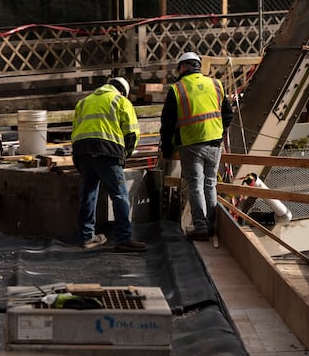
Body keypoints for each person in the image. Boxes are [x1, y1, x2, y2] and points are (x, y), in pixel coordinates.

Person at [160, 52, 234, 241]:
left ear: (183, 67)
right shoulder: (216, 84)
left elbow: (167, 124)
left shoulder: (177, 89)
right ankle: (213, 226)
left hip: (191, 144)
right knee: (211, 184)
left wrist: (167, 149)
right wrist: (218, 131)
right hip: (215, 143)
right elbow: (228, 115)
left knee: (196, 186)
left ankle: (200, 227)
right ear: (198, 66)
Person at [71, 77, 146, 252]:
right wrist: (125, 154)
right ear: (122, 91)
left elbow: (75, 130)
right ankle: (124, 238)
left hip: (83, 152)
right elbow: (132, 133)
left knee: (88, 194)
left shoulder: (84, 102)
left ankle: (86, 236)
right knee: (119, 195)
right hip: (107, 152)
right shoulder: (120, 100)